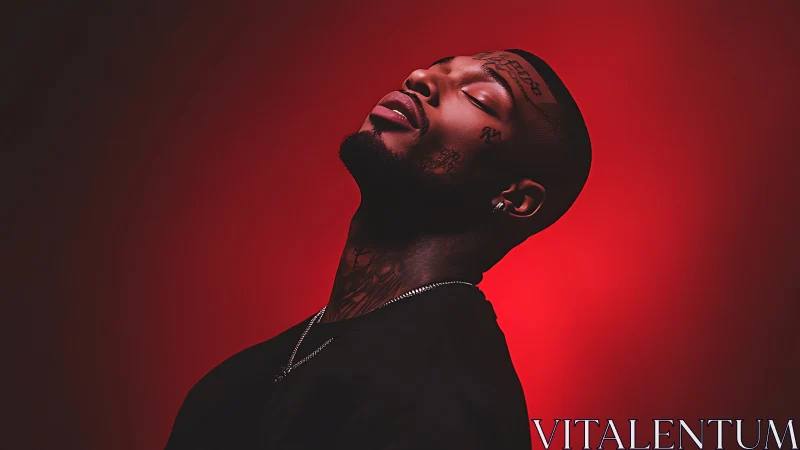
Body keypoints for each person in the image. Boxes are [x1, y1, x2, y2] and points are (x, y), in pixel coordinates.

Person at [165, 49, 591, 449]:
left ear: (514, 198)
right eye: (437, 68)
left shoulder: (447, 393)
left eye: (478, 97)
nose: (419, 78)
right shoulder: (240, 377)